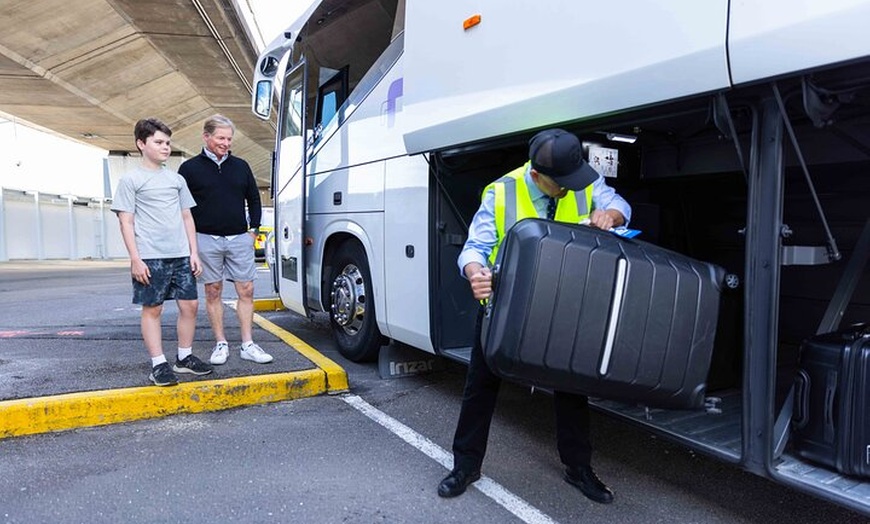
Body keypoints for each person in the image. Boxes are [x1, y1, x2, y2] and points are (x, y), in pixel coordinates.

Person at [438, 129, 632, 504]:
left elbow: (621, 205)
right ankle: (465, 465)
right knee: (480, 388)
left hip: (563, 306)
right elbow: (474, 249)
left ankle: (578, 468)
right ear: (536, 175)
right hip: (506, 308)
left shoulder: (581, 180)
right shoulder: (501, 192)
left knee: (572, 389)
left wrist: (610, 215)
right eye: (561, 183)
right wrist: (476, 274)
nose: (569, 188)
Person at [111, 118, 214, 386]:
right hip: (150, 256)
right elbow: (126, 222)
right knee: (153, 309)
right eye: (158, 142)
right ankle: (158, 364)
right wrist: (135, 259)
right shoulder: (131, 180)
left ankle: (184, 357)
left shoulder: (176, 180)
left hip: (181, 255)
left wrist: (193, 252)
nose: (165, 147)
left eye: (167, 142)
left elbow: (187, 217)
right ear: (141, 144)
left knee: (190, 305)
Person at [178, 115, 273, 365]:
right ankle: (221, 343)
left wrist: (253, 230)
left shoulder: (241, 166)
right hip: (205, 239)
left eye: (229, 139)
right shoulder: (189, 169)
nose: (226, 143)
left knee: (247, 289)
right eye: (221, 138)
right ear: (206, 136)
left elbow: (254, 198)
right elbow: (182, 208)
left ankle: (247, 344)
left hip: (239, 238)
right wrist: (190, 242)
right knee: (213, 291)